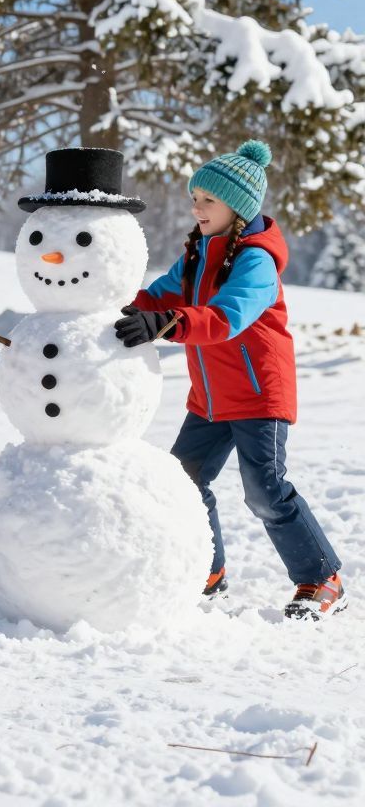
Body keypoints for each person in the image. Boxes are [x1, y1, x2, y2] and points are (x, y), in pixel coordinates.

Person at [116, 139, 345, 620]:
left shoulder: (256, 261)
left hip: (259, 393)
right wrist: (123, 310)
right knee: (184, 480)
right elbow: (158, 296)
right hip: (210, 398)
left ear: (237, 208)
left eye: (208, 200)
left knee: (264, 489)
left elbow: (227, 317)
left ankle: (321, 578)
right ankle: (209, 570)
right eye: (195, 198)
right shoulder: (197, 253)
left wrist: (167, 324)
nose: (196, 207)